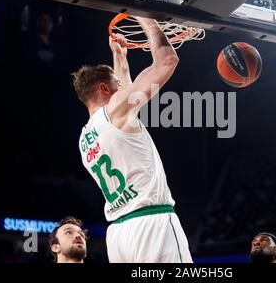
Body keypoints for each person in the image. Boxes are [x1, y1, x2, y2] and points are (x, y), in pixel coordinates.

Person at [71, 16, 192, 263]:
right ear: (104, 89)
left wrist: (120, 58)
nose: (122, 87)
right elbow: (168, 61)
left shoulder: (85, 138)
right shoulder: (115, 109)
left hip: (119, 234)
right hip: (152, 223)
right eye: (116, 83)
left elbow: (126, 99)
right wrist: (147, 18)